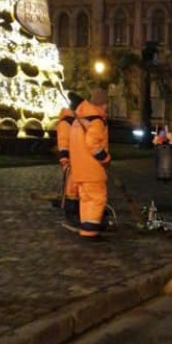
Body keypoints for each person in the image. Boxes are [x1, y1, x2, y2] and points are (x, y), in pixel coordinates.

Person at [68, 87, 111, 240]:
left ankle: (86, 228)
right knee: (97, 199)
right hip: (92, 169)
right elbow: (93, 143)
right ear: (103, 104)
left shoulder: (79, 120)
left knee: (86, 200)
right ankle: (91, 231)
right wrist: (105, 158)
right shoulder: (96, 121)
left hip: (79, 169)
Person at [56, 91, 83, 230]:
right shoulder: (66, 122)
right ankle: (71, 213)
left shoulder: (77, 121)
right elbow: (63, 142)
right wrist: (65, 160)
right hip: (71, 161)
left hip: (79, 159)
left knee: (78, 187)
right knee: (72, 188)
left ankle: (77, 211)